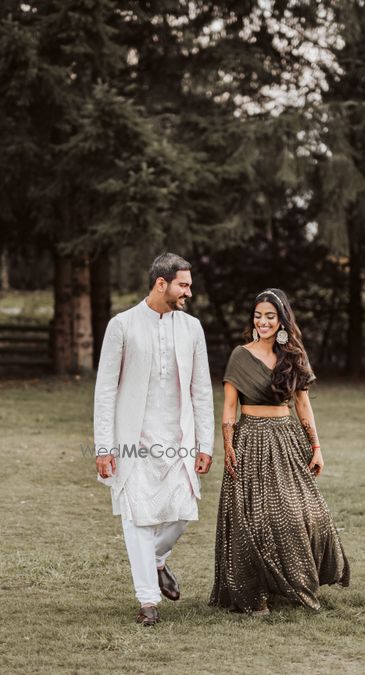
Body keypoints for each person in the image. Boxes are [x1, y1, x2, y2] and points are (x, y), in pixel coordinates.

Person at [209, 288, 349, 615]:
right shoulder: (240, 356)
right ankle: (252, 593)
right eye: (258, 316)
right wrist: (227, 444)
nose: (263, 322)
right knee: (252, 519)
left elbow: (303, 405)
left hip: (286, 440)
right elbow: (229, 408)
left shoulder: (293, 355)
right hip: (250, 441)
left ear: (282, 319)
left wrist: (316, 447)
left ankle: (293, 579)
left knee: (307, 514)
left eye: (270, 316)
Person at [94, 253, 214, 626]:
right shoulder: (122, 325)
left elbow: (202, 391)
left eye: (189, 285)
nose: (189, 292)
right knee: (138, 520)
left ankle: (157, 560)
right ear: (161, 283)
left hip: (179, 439)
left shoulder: (192, 328)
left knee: (182, 513)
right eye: (184, 285)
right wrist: (104, 446)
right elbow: (105, 391)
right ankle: (148, 602)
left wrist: (205, 444)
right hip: (134, 441)